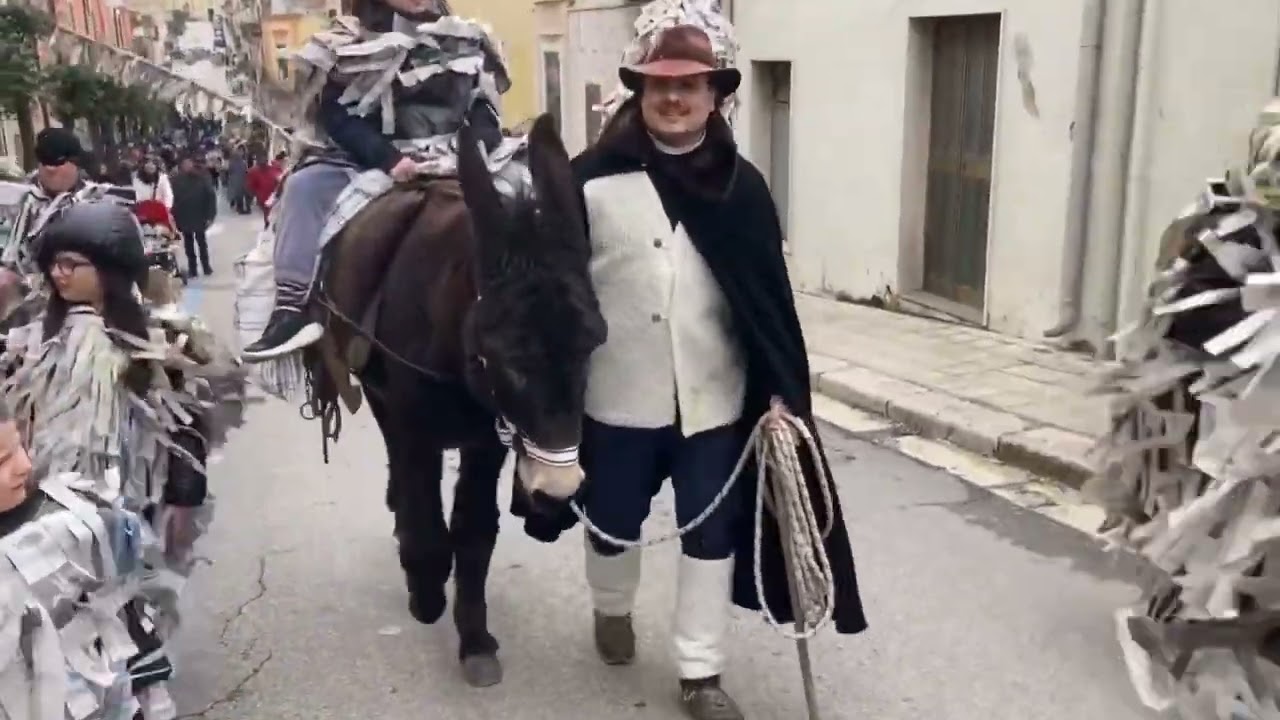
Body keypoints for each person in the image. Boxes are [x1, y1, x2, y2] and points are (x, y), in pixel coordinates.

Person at [562, 23, 867, 720]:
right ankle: (612, 606)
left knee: (711, 531)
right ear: (639, 91)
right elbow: (559, 296)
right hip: (617, 397)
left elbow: (769, 303)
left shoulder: (743, 186)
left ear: (714, 95)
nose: (673, 98)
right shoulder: (591, 179)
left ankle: (700, 672)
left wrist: (783, 394)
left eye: (688, 85)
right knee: (612, 521)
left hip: (714, 402)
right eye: (660, 85)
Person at [0, 201, 245, 715]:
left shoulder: (159, 336)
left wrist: (183, 482)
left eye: (73, 264)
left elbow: (190, 417)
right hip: (43, 496)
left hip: (122, 496)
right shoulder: (31, 334)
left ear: (110, 268)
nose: (59, 274)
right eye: (54, 263)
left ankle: (135, 691)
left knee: (121, 599)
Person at [239, 0, 506, 361]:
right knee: (303, 187)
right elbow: (336, 115)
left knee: (528, 185)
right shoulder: (345, 41)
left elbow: (484, 107)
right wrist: (390, 159)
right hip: (370, 157)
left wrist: (470, 154)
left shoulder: (469, 37)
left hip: (456, 153)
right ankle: (291, 311)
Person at [169, 154, 217, 277]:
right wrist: (175, 218)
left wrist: (210, 216)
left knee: (202, 242)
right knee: (188, 244)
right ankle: (193, 268)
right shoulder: (176, 180)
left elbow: (210, 196)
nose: (187, 166)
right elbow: (173, 199)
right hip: (184, 216)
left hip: (200, 214)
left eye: (189, 164)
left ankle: (206, 266)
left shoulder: (202, 177)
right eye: (184, 164)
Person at [246, 153, 283, 227]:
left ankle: (270, 225)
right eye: (260, 161)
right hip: (263, 198)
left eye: (264, 160)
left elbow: (280, 179)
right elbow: (250, 185)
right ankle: (268, 224)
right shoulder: (254, 172)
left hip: (274, 196)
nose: (263, 163)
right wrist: (253, 194)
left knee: (272, 214)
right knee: (268, 214)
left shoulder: (274, 169)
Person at [225, 146, 251, 213]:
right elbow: (246, 171)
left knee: (238, 193)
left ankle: (238, 206)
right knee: (238, 194)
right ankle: (239, 207)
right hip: (238, 179)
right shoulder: (241, 162)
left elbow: (230, 171)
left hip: (238, 179)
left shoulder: (241, 162)